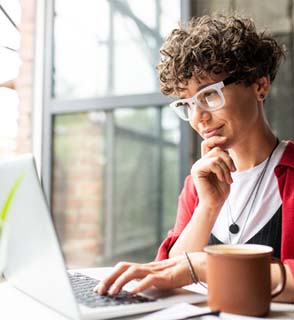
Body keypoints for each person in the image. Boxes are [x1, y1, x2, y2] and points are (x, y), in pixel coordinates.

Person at [94, 13, 294, 302]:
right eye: (187, 104)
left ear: (259, 85)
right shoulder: (198, 185)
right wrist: (208, 207)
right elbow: (170, 272)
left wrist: (205, 266)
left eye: (210, 95)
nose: (198, 117)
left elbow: (191, 267)